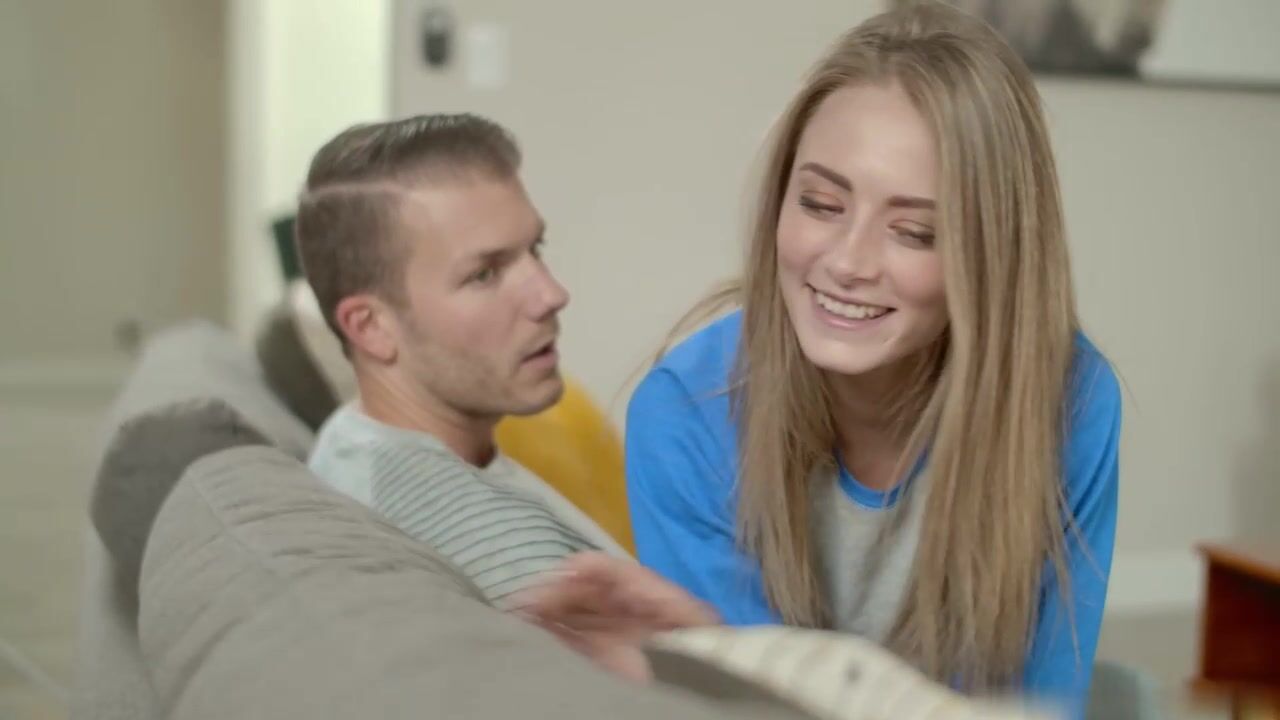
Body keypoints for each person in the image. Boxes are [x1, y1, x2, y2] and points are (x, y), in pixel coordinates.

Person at [623, 2, 1121, 717]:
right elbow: (746, 706)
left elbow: (1040, 701)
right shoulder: (684, 412)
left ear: (995, 255)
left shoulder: (1070, 400)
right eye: (821, 204)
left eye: (913, 231)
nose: (848, 262)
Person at [296, 114, 638, 609]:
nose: (551, 294)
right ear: (370, 328)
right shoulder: (497, 554)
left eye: (535, 249)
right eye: (484, 274)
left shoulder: (352, 438)